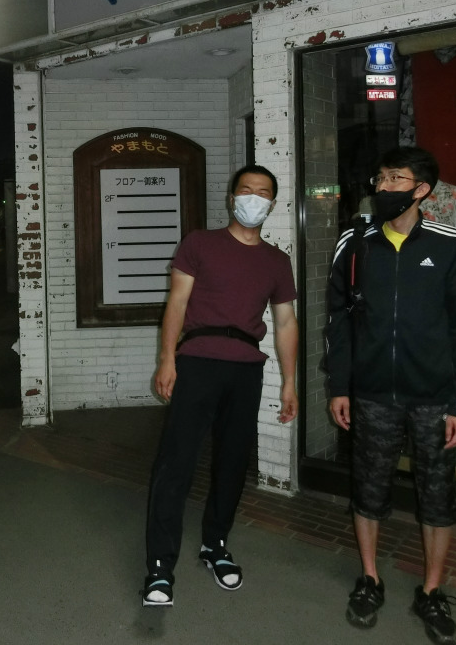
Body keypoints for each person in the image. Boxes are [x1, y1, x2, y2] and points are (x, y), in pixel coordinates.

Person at [325, 146, 456, 645]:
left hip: (433, 397)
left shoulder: (451, 244)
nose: (384, 187)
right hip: (372, 394)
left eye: (396, 178)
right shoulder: (355, 242)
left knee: (437, 495)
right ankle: (370, 578)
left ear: (422, 190)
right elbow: (338, 321)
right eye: (381, 178)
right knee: (369, 488)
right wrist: (339, 387)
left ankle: (431, 590)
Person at [142, 165, 299, 607]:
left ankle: (216, 545)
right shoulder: (200, 243)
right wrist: (167, 358)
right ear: (232, 198)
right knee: (176, 463)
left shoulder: (277, 261)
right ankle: (160, 566)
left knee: (232, 462)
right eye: (246, 190)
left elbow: (286, 323)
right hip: (197, 362)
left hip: (246, 369)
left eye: (263, 192)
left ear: (272, 203)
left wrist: (290, 382)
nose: (253, 198)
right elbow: (177, 301)